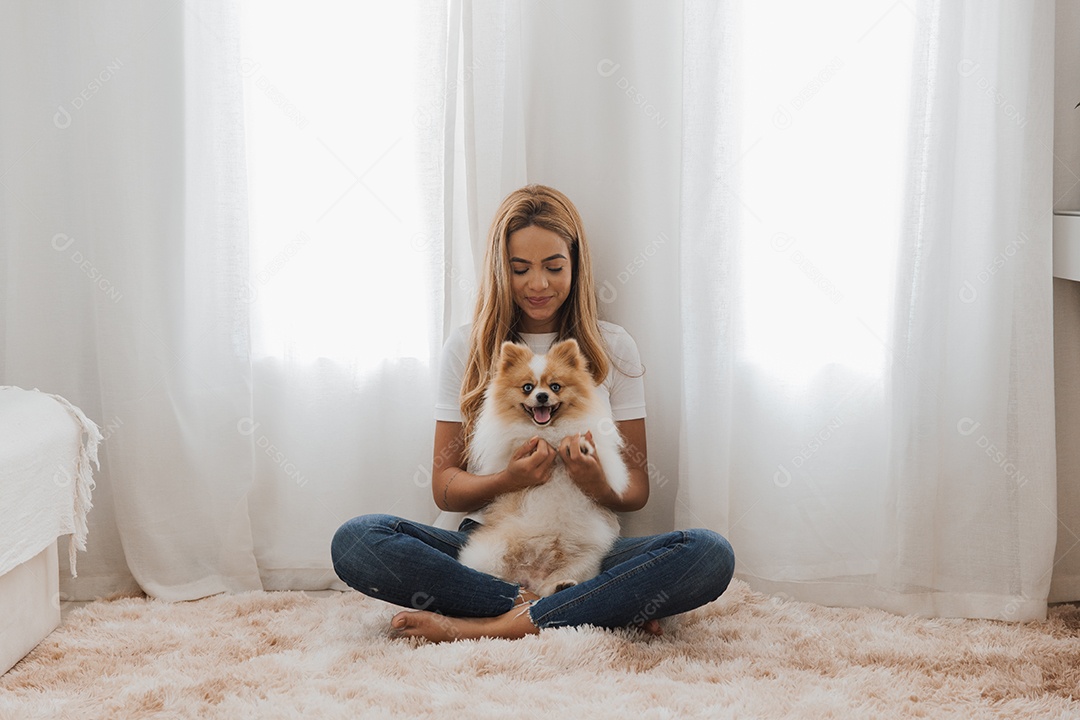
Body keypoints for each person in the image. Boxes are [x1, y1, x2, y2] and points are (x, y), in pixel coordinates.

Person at [331, 184, 734, 642]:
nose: (537, 284)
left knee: (708, 553)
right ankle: (585, 606)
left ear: (576, 266)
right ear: (500, 269)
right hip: (490, 544)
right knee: (360, 539)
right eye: (520, 268)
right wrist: (511, 479)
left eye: (553, 267)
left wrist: (595, 481)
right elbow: (445, 486)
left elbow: (636, 489)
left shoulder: (612, 347)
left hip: (582, 545)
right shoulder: (468, 347)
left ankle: (490, 623)